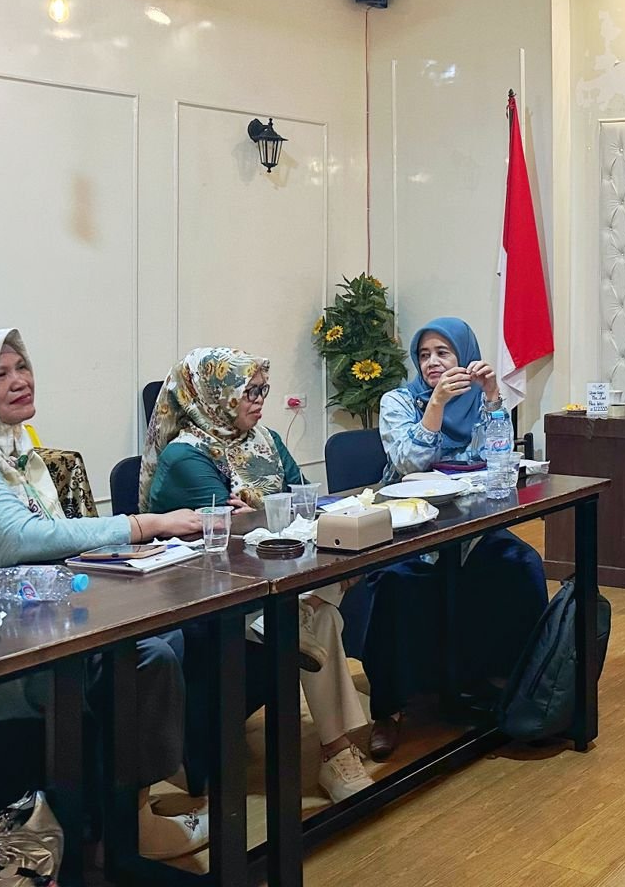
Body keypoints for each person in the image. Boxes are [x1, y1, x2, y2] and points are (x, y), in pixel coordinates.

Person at [0, 329, 209, 860]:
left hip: (36, 619)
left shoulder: (14, 449)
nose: (19, 380)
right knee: (146, 656)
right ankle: (129, 831)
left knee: (168, 636)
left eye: (22, 367)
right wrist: (143, 525)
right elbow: (18, 539)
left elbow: (51, 546)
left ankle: (121, 809)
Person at [140, 347, 376, 802]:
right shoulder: (185, 456)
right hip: (210, 595)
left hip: (271, 579)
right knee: (319, 614)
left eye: (262, 390)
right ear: (215, 395)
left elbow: (302, 501)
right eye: (248, 392)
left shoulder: (265, 439)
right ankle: (337, 754)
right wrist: (268, 514)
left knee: (320, 602)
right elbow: (237, 532)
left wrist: (263, 512)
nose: (259, 401)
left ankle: (334, 744)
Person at [358, 317, 549, 760]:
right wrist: (437, 404)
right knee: (396, 582)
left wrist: (493, 397)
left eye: (443, 353)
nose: (432, 362)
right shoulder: (398, 401)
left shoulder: (479, 399)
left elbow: (498, 456)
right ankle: (389, 709)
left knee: (520, 564)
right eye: (424, 355)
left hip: (470, 524)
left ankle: (514, 686)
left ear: (464, 355)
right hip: (410, 527)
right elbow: (409, 463)